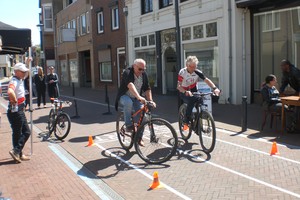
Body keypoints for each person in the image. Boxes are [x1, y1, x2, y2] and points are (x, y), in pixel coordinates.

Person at [115, 58, 156, 145]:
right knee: (128, 102)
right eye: (139, 69)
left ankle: (139, 138)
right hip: (125, 96)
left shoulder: (143, 75)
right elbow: (130, 85)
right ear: (134, 66)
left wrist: (151, 101)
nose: (141, 71)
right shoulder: (127, 72)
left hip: (137, 98)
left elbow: (147, 88)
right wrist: (139, 97)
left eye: (143, 69)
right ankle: (128, 125)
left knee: (144, 116)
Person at [177, 56, 220, 130]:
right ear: (187, 65)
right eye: (192, 67)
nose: (193, 68)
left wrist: (215, 88)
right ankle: (186, 121)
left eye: (195, 66)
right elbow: (178, 86)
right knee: (191, 100)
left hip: (193, 89)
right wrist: (185, 91)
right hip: (184, 90)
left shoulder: (197, 72)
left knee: (199, 100)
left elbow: (206, 80)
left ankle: (197, 125)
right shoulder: (182, 72)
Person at [7, 61, 32, 163]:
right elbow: (10, 91)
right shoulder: (15, 80)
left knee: (17, 133)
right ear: (16, 72)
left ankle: (18, 153)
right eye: (22, 71)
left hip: (18, 109)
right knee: (26, 132)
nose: (24, 73)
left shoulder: (20, 78)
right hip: (16, 110)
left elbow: (26, 73)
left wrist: (27, 63)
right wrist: (14, 99)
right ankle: (16, 151)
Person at [279, 60, 300, 132]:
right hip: (297, 91)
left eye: (282, 65)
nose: (281, 67)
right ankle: (293, 125)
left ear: (287, 65)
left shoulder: (295, 72)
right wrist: (280, 92)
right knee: (291, 106)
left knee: (297, 106)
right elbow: (284, 83)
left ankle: (295, 127)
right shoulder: (285, 73)